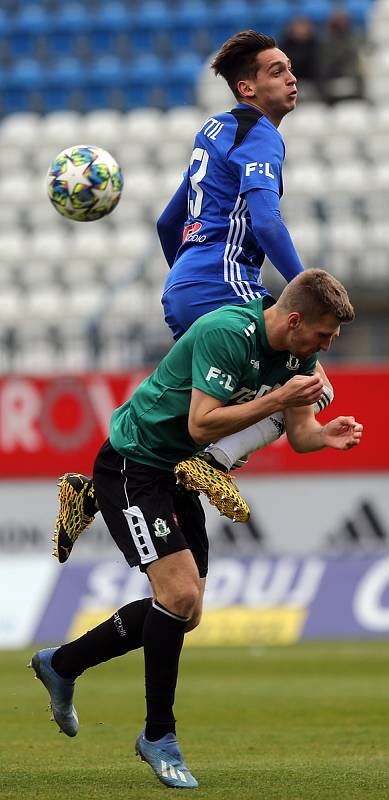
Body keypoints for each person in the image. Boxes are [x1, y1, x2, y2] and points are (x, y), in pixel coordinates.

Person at [31, 270, 362, 789]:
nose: (328, 346)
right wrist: (277, 399)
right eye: (323, 336)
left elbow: (299, 436)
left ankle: (62, 663)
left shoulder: (302, 356)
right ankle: (158, 736)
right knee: (178, 593)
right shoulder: (226, 333)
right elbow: (201, 425)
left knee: (185, 614)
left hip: (178, 473)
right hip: (134, 464)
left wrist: (326, 436)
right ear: (294, 320)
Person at [53, 29, 334, 562]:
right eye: (277, 71)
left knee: (204, 406)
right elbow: (267, 220)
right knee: (308, 385)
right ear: (246, 88)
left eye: (291, 67)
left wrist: (184, 282)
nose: (292, 77)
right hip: (223, 282)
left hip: (186, 282)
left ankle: (92, 491)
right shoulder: (261, 134)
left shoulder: (214, 130)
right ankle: (216, 464)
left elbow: (168, 222)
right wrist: (309, 294)